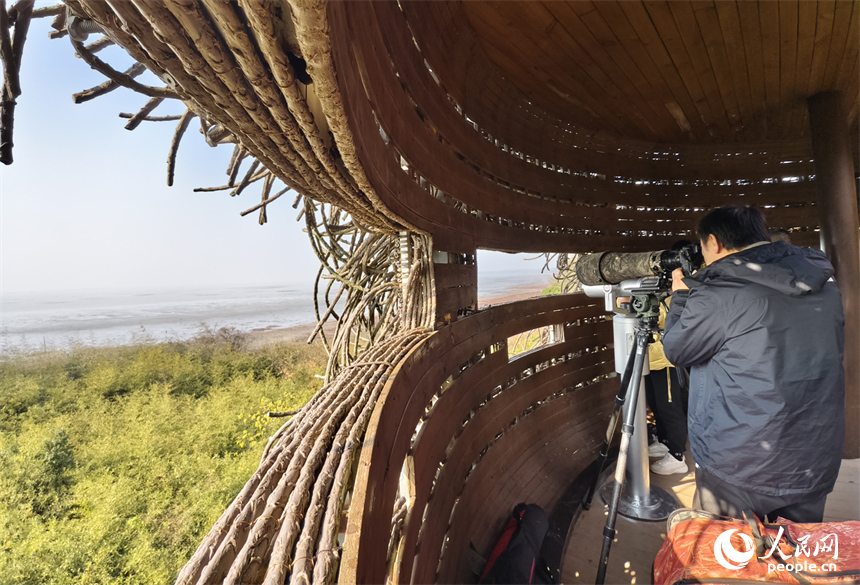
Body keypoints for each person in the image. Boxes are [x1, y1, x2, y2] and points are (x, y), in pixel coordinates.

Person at [662, 205, 845, 523]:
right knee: (797, 558)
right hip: (813, 457)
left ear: (714, 243)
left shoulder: (719, 293)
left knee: (727, 558)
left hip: (738, 464)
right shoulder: (823, 282)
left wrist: (680, 296)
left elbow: (678, 350)